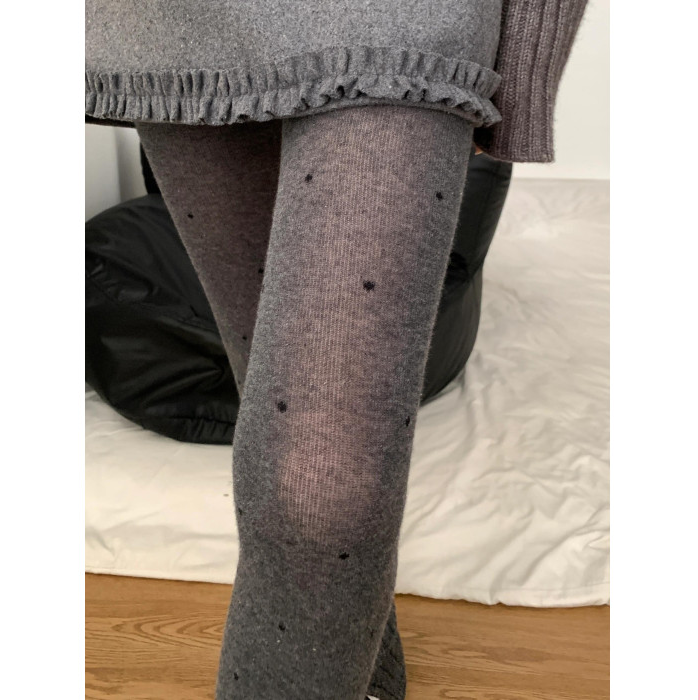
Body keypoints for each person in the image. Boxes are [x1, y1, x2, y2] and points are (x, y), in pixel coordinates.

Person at [85, 2, 589, 698]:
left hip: (401, 30)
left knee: (319, 488)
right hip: (175, 29)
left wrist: (522, 83)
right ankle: (368, 675)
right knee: (272, 412)